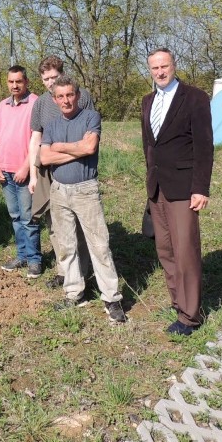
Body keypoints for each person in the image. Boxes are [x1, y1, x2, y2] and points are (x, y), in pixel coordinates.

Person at [40, 76, 127, 323]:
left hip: (85, 190)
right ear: (55, 99)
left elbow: (89, 148)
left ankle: (111, 298)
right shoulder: (52, 124)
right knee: (66, 246)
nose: (66, 100)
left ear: (77, 95)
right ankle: (73, 292)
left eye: (70, 95)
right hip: (59, 191)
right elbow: (44, 158)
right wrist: (74, 147)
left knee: (99, 245)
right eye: (60, 96)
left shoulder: (91, 117)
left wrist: (60, 147)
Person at [141, 48, 213, 336]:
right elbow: (150, 146)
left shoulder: (194, 97)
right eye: (155, 68)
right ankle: (177, 303)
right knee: (166, 250)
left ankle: (190, 316)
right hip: (157, 187)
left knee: (185, 251)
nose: (160, 72)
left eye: (165, 66)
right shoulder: (148, 101)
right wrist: (150, 181)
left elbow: (204, 146)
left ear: (174, 65)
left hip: (184, 188)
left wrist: (200, 188)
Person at [28, 55, 94, 289]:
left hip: (77, 167)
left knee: (80, 223)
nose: (50, 82)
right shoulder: (41, 104)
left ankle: (83, 271)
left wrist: (68, 152)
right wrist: (33, 174)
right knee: (54, 222)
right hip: (48, 170)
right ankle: (64, 270)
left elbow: (89, 138)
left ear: (63, 75)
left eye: (54, 77)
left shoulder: (81, 97)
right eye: (46, 79)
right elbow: (35, 137)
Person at [0, 65, 41, 278]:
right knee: (14, 216)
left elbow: (38, 139)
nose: (14, 85)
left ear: (26, 82)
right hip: (5, 171)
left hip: (24, 172)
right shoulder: (2, 106)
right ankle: (21, 255)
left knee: (29, 218)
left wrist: (25, 167)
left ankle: (35, 260)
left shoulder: (35, 103)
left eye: (18, 81)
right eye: (11, 82)